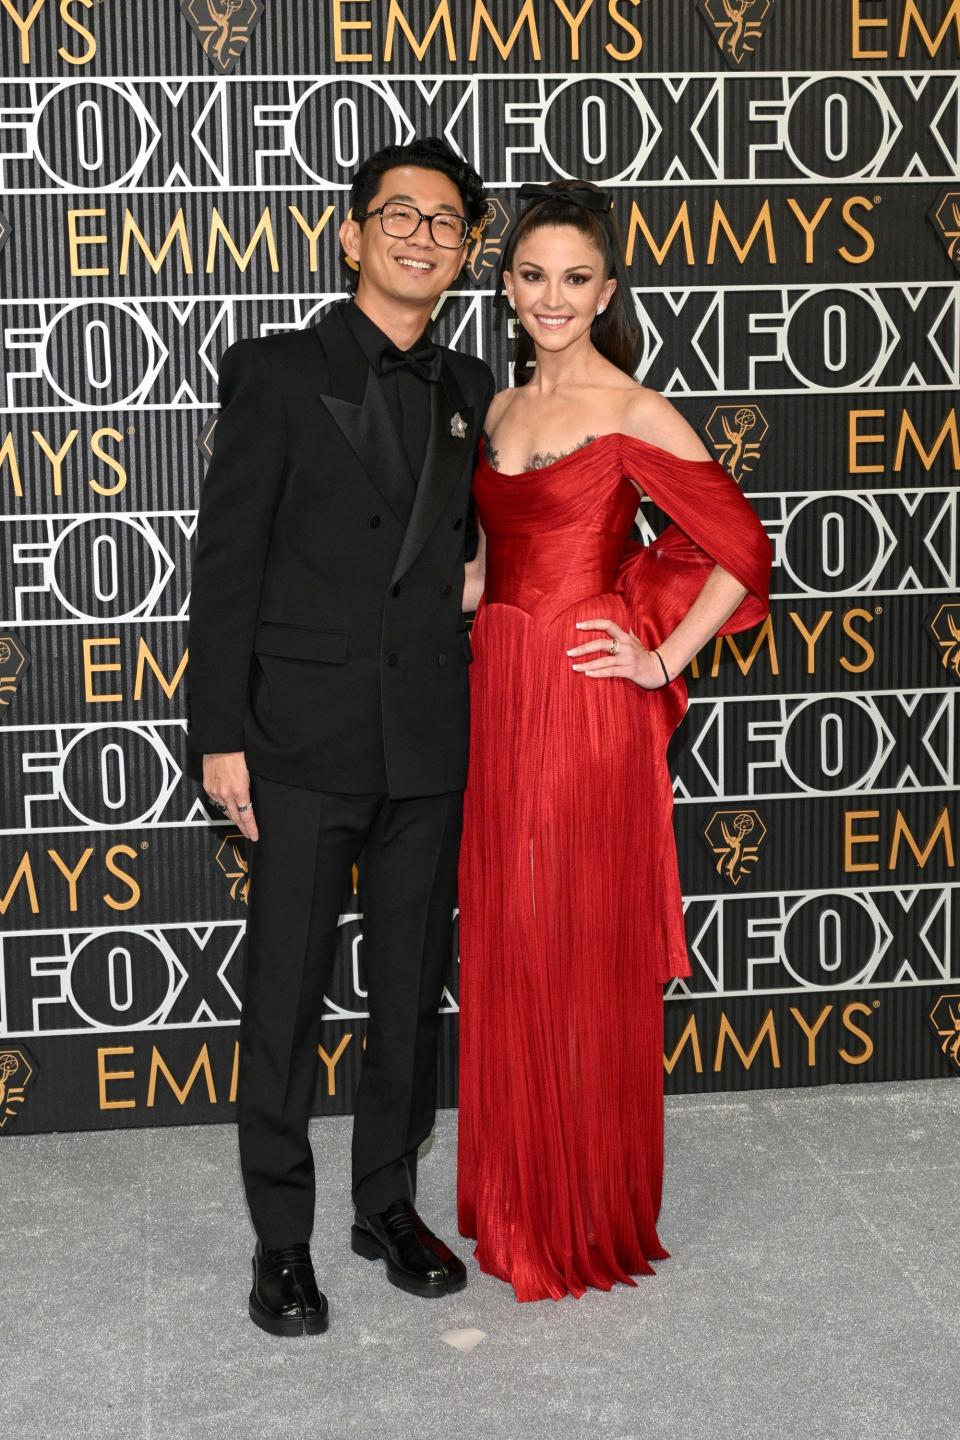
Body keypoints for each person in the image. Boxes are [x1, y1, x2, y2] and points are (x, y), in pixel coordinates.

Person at [187, 137, 495, 1335]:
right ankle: (279, 1240)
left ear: (467, 253)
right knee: (286, 1000)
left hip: (426, 737)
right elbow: (228, 566)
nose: (425, 236)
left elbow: (479, 542)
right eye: (402, 216)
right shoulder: (272, 371)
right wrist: (221, 734)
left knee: (410, 996)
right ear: (353, 231)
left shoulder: (473, 386)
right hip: (300, 739)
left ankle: (383, 1206)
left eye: (448, 223)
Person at [456, 180, 772, 1302]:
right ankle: (521, 1197)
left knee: (575, 933)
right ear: (506, 288)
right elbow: (497, 562)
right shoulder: (494, 409)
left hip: (585, 701)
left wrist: (660, 656)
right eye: (534, 276)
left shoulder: (633, 409)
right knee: (512, 930)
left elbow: (741, 548)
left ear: (607, 289)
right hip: (500, 687)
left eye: (576, 278)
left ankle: (583, 1208)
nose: (554, 298)